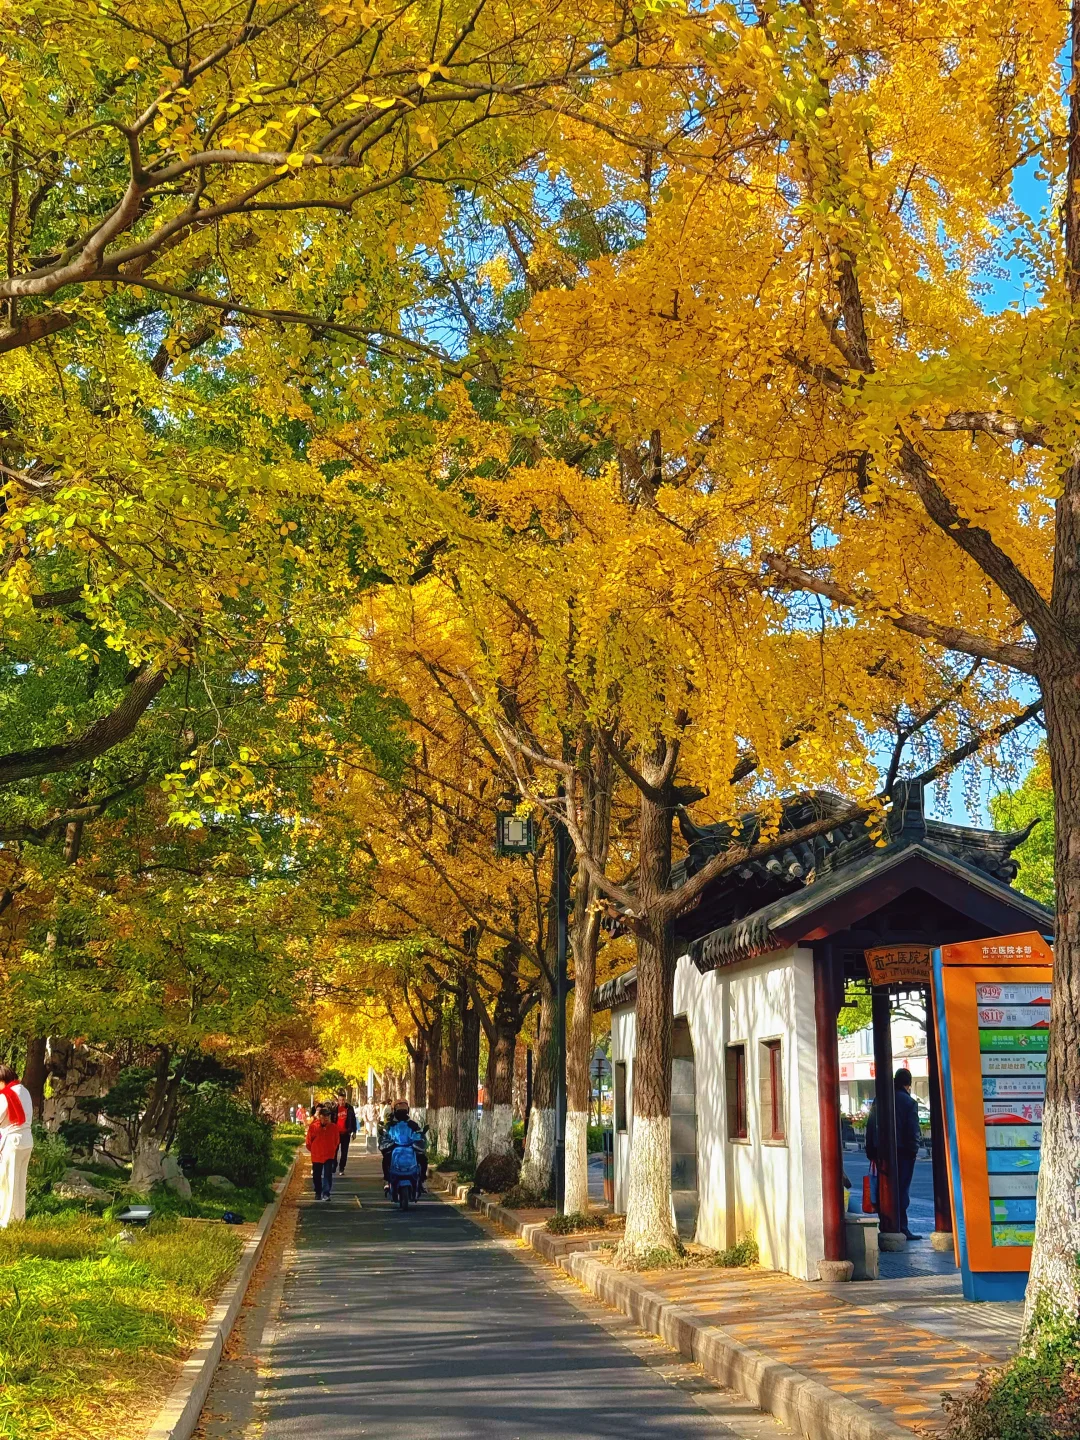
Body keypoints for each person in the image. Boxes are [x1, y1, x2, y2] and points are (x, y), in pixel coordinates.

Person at [865, 1068, 924, 1240]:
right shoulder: (909, 1103)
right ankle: (901, 1226)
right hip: (904, 1152)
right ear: (908, 1084)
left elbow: (870, 1125)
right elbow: (913, 1130)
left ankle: (886, 1222)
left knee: (885, 1189)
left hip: (881, 1152)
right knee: (901, 1189)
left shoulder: (879, 1099)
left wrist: (871, 1149)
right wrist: (914, 1150)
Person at [0, 1062, 34, 1229]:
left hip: (13, 1140)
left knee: (7, 1181)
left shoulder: (6, 1094)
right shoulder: (24, 1091)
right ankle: (19, 1218)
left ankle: (7, 1221)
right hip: (27, 1139)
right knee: (20, 1182)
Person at [379, 1100, 427, 1195]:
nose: (401, 1110)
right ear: (394, 1110)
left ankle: (421, 1181)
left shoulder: (413, 1124)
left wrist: (420, 1138)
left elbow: (419, 1134)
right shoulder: (390, 1125)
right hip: (395, 1147)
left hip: (410, 1148)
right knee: (386, 1159)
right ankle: (387, 1180)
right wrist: (385, 1139)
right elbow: (384, 1135)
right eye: (399, 1108)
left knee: (423, 1159)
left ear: (408, 1109)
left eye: (404, 1108)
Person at [305, 1104, 339, 1202]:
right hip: (317, 1155)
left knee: (327, 1174)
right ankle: (318, 1192)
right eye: (324, 1117)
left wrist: (333, 1149)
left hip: (329, 1154)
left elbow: (336, 1141)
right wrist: (314, 1150)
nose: (326, 1119)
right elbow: (308, 1142)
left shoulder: (333, 1128)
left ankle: (326, 1193)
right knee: (317, 1175)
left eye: (328, 1117)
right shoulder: (314, 1127)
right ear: (320, 1117)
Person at [334, 1089, 358, 1175]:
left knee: (344, 1152)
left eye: (343, 1100)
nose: (342, 1102)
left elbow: (354, 1120)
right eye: (340, 1100)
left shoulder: (349, 1108)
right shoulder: (335, 1109)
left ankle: (341, 1168)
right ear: (338, 1100)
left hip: (346, 1133)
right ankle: (334, 1164)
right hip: (336, 1134)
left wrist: (354, 1131)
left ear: (345, 1099)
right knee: (334, 1151)